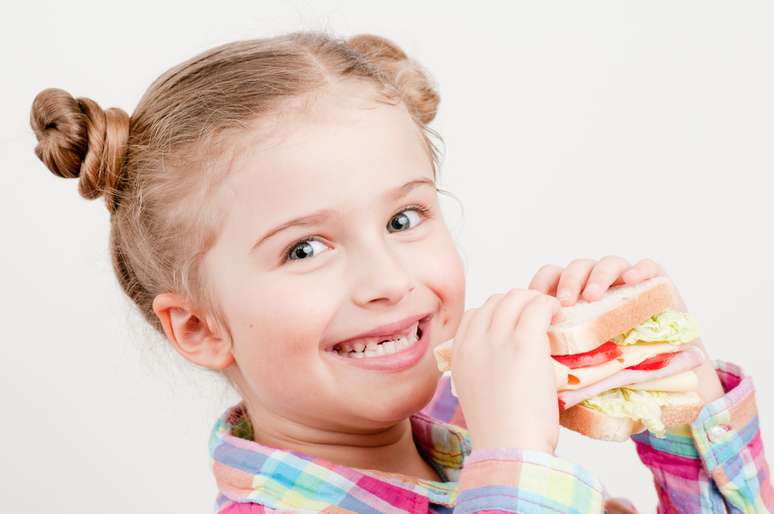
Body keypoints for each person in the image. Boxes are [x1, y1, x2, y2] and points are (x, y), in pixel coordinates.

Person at [29, 30, 774, 513]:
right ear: (198, 327)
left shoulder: (459, 432)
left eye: (403, 219)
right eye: (305, 249)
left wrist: (680, 409)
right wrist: (513, 457)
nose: (386, 278)